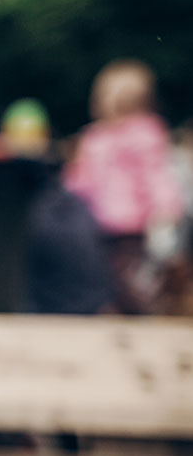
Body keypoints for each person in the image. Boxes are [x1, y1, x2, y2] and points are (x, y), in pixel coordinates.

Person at [63, 59, 184, 313]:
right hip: (98, 222)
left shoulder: (145, 134)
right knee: (109, 272)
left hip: (131, 224)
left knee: (130, 273)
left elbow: (155, 175)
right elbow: (81, 180)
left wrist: (166, 209)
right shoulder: (94, 138)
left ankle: (143, 309)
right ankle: (121, 307)